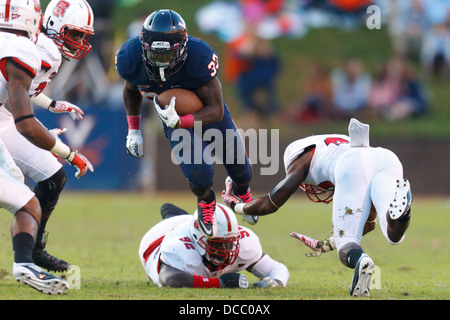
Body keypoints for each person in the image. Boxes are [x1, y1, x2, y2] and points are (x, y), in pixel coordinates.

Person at [222, 118, 412, 297]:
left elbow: (272, 202)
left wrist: (237, 205)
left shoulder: (301, 158)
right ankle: (404, 213)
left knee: (347, 244)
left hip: (351, 164)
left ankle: (360, 260)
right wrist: (326, 244)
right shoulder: (342, 151)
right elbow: (369, 223)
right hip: (386, 158)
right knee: (393, 235)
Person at [115, 9, 255, 239]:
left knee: (242, 169)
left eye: (167, 55)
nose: (161, 62)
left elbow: (216, 110)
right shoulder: (130, 57)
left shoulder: (199, 57)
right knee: (200, 174)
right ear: (143, 46)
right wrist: (133, 130)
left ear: (182, 47)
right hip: (173, 119)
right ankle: (206, 204)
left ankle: (238, 191)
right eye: (155, 55)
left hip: (205, 113)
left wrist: (184, 119)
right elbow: (131, 89)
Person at [0, 0, 95, 273]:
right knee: (18, 189)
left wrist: (53, 105)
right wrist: (62, 148)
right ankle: (27, 258)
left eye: (82, 36)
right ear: (52, 24)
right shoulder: (44, 50)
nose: (78, 42)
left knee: (53, 177)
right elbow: (19, 99)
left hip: (8, 115)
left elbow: (22, 87)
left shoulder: (40, 47)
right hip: (7, 118)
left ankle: (33, 251)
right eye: (74, 34)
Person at [138, 202, 289, 288]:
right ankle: (168, 211)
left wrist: (275, 282)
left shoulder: (244, 243)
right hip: (158, 237)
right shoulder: (179, 248)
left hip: (191, 223)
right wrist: (220, 283)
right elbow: (169, 279)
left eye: (229, 244)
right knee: (172, 216)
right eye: (218, 244)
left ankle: (171, 211)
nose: (226, 250)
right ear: (199, 240)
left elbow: (278, 268)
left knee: (184, 217)